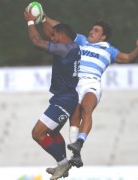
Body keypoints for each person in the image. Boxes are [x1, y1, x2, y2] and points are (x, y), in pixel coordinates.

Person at [41, 15, 138, 168]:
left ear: (103, 36)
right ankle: (76, 154)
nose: (92, 32)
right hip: (75, 84)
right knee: (74, 115)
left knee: (87, 108)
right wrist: (44, 17)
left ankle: (79, 143)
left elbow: (127, 58)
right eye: (92, 29)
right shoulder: (81, 40)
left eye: (96, 30)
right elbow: (61, 28)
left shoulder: (109, 50)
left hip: (92, 83)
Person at [24, 7, 81, 180]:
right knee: (54, 134)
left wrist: (30, 21)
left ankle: (63, 163)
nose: (52, 38)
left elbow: (36, 41)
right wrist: (42, 18)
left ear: (63, 36)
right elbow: (52, 34)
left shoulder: (64, 49)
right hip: (64, 98)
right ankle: (61, 164)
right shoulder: (72, 46)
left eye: (55, 36)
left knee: (37, 134)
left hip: (63, 101)